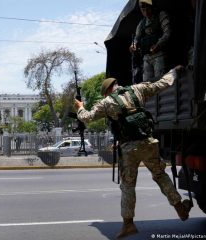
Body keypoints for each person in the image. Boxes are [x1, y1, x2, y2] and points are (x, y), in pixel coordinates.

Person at [74, 66, 191, 239]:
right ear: (117, 85)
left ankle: (128, 224)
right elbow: (162, 84)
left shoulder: (106, 103)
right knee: (160, 175)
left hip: (129, 148)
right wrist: (174, 70)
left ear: (107, 92)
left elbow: (87, 118)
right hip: (149, 142)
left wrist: (80, 107)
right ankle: (180, 207)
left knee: (128, 185)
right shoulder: (137, 89)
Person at [130, 0, 171, 82]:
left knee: (159, 82)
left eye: (147, 6)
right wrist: (133, 45)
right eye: (142, 7)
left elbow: (167, 32)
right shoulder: (141, 23)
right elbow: (136, 39)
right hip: (146, 58)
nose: (145, 10)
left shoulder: (160, 15)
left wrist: (158, 45)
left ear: (151, 6)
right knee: (147, 85)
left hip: (159, 54)